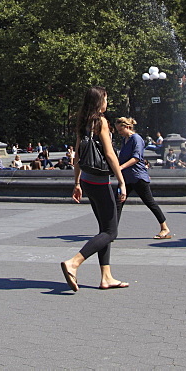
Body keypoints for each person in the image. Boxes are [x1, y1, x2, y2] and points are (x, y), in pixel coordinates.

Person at [60, 85, 129, 292]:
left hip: (88, 181)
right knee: (111, 231)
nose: (107, 103)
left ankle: (106, 277)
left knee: (104, 229)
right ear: (99, 101)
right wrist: (122, 181)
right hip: (100, 181)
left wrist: (77, 183)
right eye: (106, 99)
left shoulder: (83, 122)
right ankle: (74, 262)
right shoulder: (101, 122)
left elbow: (78, 157)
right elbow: (109, 154)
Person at [115, 117, 171, 237]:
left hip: (138, 176)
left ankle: (164, 227)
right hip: (127, 178)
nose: (119, 133)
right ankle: (112, 231)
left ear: (128, 127)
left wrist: (120, 167)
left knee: (149, 202)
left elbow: (136, 158)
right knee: (118, 202)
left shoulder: (136, 139)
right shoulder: (125, 140)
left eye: (120, 130)